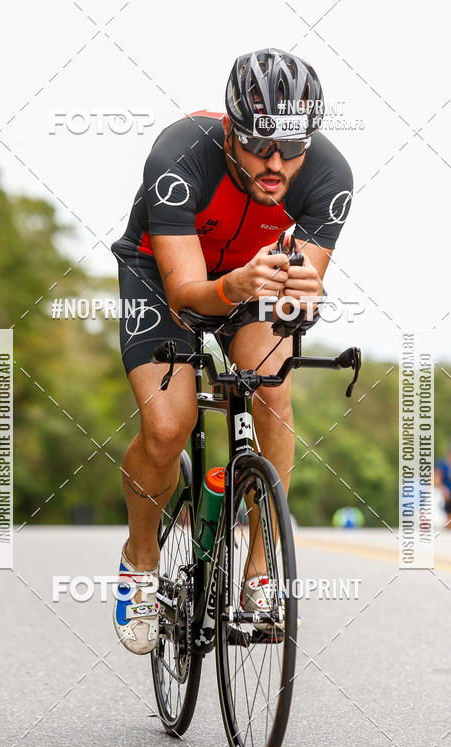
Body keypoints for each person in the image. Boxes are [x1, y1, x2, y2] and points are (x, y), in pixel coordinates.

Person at [111, 48, 353, 653]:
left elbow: (300, 290)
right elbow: (190, 294)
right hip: (166, 274)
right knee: (169, 427)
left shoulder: (329, 177)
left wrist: (303, 297)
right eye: (260, 147)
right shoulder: (177, 157)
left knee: (271, 389)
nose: (277, 165)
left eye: (292, 148)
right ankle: (139, 561)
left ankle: (260, 564)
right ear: (228, 131)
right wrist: (237, 285)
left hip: (256, 276)